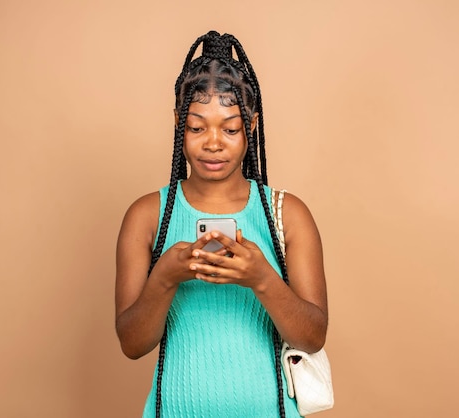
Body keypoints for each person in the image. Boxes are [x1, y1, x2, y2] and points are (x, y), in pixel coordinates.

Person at [115, 30, 328, 418]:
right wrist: (165, 276)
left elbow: (312, 336)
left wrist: (262, 277)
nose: (213, 143)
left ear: (252, 124)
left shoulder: (287, 213)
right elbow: (132, 343)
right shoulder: (148, 216)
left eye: (230, 128)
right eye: (197, 128)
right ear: (179, 123)